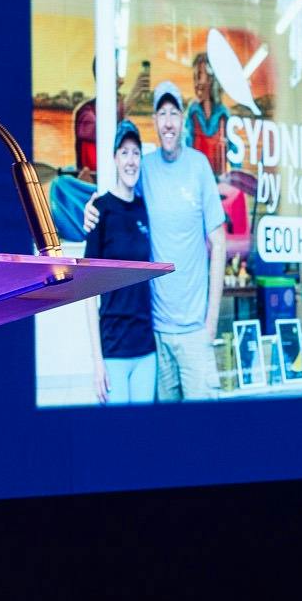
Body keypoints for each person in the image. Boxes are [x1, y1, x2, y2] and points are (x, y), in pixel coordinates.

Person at [141, 81, 226, 401]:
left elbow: (219, 242)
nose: (167, 122)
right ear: (154, 121)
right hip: (157, 332)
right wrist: (93, 206)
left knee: (205, 436)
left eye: (173, 113)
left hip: (195, 333)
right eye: (161, 114)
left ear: (183, 119)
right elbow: (117, 200)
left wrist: (211, 323)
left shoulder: (199, 166)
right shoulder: (144, 168)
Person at [85, 119, 156, 404]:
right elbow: (87, 292)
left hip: (145, 349)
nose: (131, 160)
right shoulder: (100, 210)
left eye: (136, 153)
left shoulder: (144, 208)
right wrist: (97, 361)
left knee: (144, 439)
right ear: (115, 158)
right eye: (124, 152)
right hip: (113, 348)